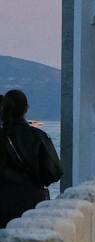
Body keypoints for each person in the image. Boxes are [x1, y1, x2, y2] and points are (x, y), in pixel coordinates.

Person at [0, 89, 63, 227]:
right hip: (34, 202)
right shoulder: (39, 136)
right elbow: (55, 172)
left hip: (3, 203)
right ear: (26, 109)